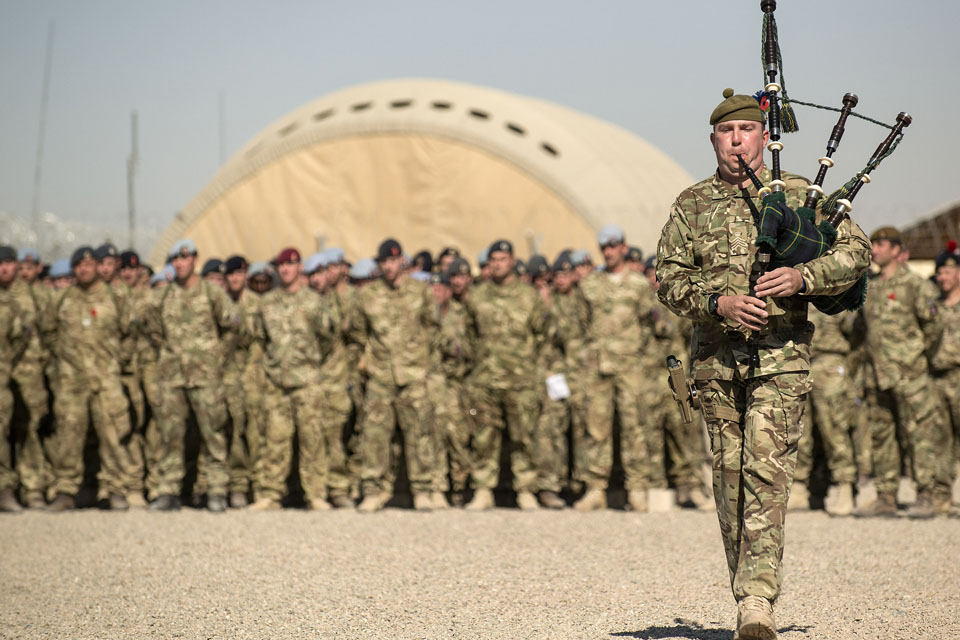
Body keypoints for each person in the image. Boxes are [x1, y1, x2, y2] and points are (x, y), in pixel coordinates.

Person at [656, 88, 870, 638]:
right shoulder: (691, 203)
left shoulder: (799, 195)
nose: (736, 141)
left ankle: (757, 600)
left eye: (746, 130)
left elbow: (854, 252)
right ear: (713, 140)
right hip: (716, 367)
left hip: (780, 361)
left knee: (766, 477)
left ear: (764, 135)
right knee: (730, 483)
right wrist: (718, 303)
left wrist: (804, 277)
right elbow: (667, 280)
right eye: (726, 133)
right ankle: (745, 593)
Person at [855, 227, 951, 518]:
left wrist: (917, 355)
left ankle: (927, 495)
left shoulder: (915, 285)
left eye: (882, 244)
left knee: (919, 436)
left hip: (910, 375)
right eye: (874, 244)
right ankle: (886, 496)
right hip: (878, 374)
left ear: (897, 249)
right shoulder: (868, 286)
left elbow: (934, 327)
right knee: (882, 436)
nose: (876, 250)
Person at [143, 239, 241, 512]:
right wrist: (167, 353)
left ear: (194, 260)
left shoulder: (211, 292)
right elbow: (149, 326)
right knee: (170, 435)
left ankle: (217, 490)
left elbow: (233, 324)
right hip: (173, 377)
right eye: (175, 259)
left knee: (214, 434)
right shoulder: (162, 296)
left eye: (184, 258)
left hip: (206, 376)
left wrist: (218, 356)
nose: (179, 263)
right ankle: (169, 490)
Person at [350, 239, 443, 512]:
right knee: (375, 435)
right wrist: (366, 364)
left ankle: (422, 490)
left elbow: (434, 328)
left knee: (419, 435)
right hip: (380, 376)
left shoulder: (420, 292)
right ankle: (372, 491)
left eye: (393, 261)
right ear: (379, 265)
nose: (389, 267)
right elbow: (357, 332)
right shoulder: (368, 296)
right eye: (384, 262)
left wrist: (422, 360)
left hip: (414, 374)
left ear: (402, 261)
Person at [43, 246, 137, 511]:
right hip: (72, 381)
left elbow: (130, 333)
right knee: (69, 435)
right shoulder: (62, 299)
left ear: (97, 267)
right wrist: (64, 359)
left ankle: (116, 489)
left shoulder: (116, 297)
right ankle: (65, 490)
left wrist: (117, 360)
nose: (83, 269)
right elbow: (48, 332)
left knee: (113, 435)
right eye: (78, 265)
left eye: (88, 264)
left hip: (106, 379)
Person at [575, 224, 660, 512]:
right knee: (596, 428)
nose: (609, 252)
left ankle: (637, 489)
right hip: (598, 367)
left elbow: (649, 324)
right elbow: (581, 325)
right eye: (605, 247)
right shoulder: (589, 286)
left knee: (634, 427)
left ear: (624, 247)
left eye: (614, 246)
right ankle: (595, 488)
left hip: (630, 366)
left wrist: (640, 357)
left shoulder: (638, 285)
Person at [462, 240, 551, 510]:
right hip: (485, 378)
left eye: (503, 259)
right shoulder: (476, 296)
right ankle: (483, 490)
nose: (498, 264)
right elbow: (469, 334)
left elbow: (542, 334)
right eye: (493, 260)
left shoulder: (528, 296)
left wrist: (534, 370)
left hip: (520, 379)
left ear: (512, 261)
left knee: (524, 436)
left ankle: (525, 489)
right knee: (483, 438)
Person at [248, 248, 337, 510]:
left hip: (307, 380)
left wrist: (309, 363)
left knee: (312, 438)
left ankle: (316, 494)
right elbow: (261, 339)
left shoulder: (314, 301)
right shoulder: (267, 303)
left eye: (290, 264)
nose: (285, 269)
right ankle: (270, 493)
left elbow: (327, 340)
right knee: (274, 439)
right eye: (281, 266)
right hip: (276, 381)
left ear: (300, 267)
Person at [930, 242, 960, 513]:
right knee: (940, 440)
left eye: (948, 272)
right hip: (938, 378)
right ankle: (941, 496)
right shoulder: (934, 307)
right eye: (940, 273)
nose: (943, 278)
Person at [0, 246, 30, 513]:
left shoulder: (10, 305)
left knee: (2, 435)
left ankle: (5, 490)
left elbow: (23, 338)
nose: (4, 268)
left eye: (8, 262)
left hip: (3, 381)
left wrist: (7, 364)